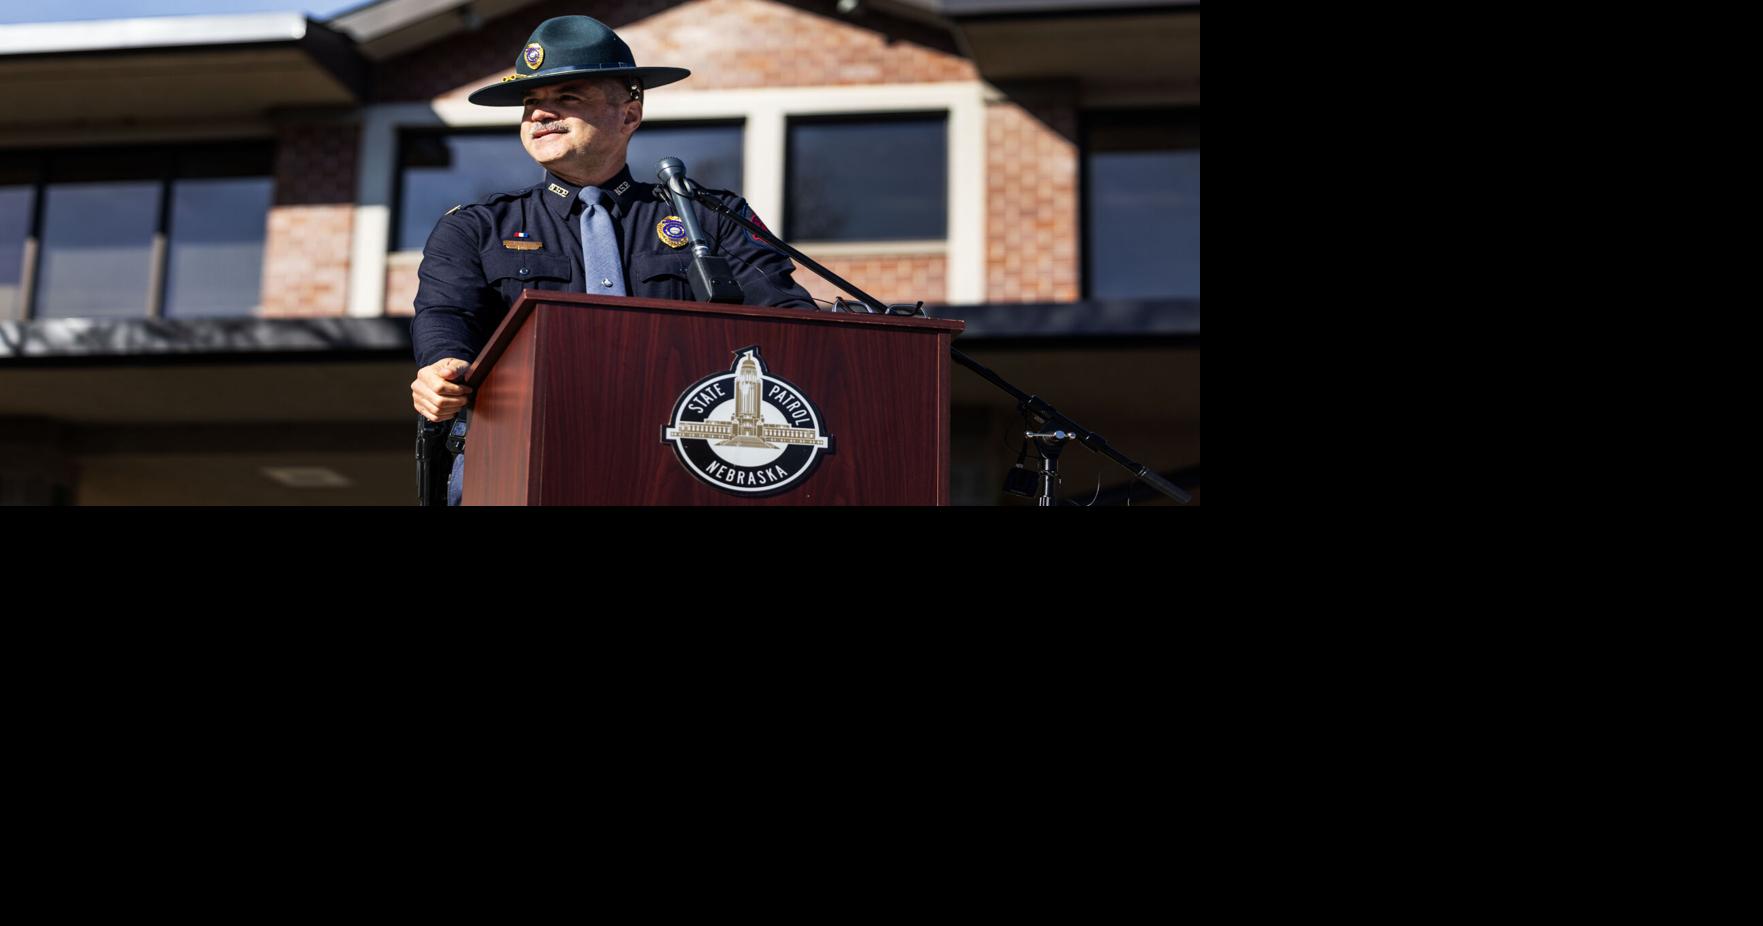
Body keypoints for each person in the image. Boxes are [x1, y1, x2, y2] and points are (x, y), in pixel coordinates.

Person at [409, 15, 817, 504]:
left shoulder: (708, 217)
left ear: (629, 114)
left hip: (684, 468)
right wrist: (442, 367)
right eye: (531, 104)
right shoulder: (475, 228)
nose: (540, 115)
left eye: (567, 98)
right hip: (523, 462)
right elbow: (447, 318)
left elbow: (792, 323)